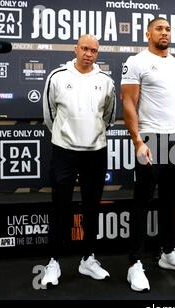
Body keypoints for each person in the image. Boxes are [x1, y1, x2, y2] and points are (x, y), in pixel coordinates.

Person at [121, 17, 175, 292]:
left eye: (168, 29)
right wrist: (137, 141)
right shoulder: (137, 62)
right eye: (159, 29)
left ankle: (168, 253)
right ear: (148, 33)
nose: (164, 33)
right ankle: (135, 263)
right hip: (150, 140)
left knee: (170, 200)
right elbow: (128, 103)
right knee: (142, 202)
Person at [41, 34, 116, 286]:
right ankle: (53, 262)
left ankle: (88, 259)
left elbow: (108, 116)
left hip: (95, 151)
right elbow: (50, 115)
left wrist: (92, 135)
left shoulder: (105, 81)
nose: (88, 53)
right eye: (84, 48)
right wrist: (66, 136)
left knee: (92, 207)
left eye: (93, 50)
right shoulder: (57, 76)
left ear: (97, 53)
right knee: (60, 206)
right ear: (75, 49)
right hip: (64, 151)